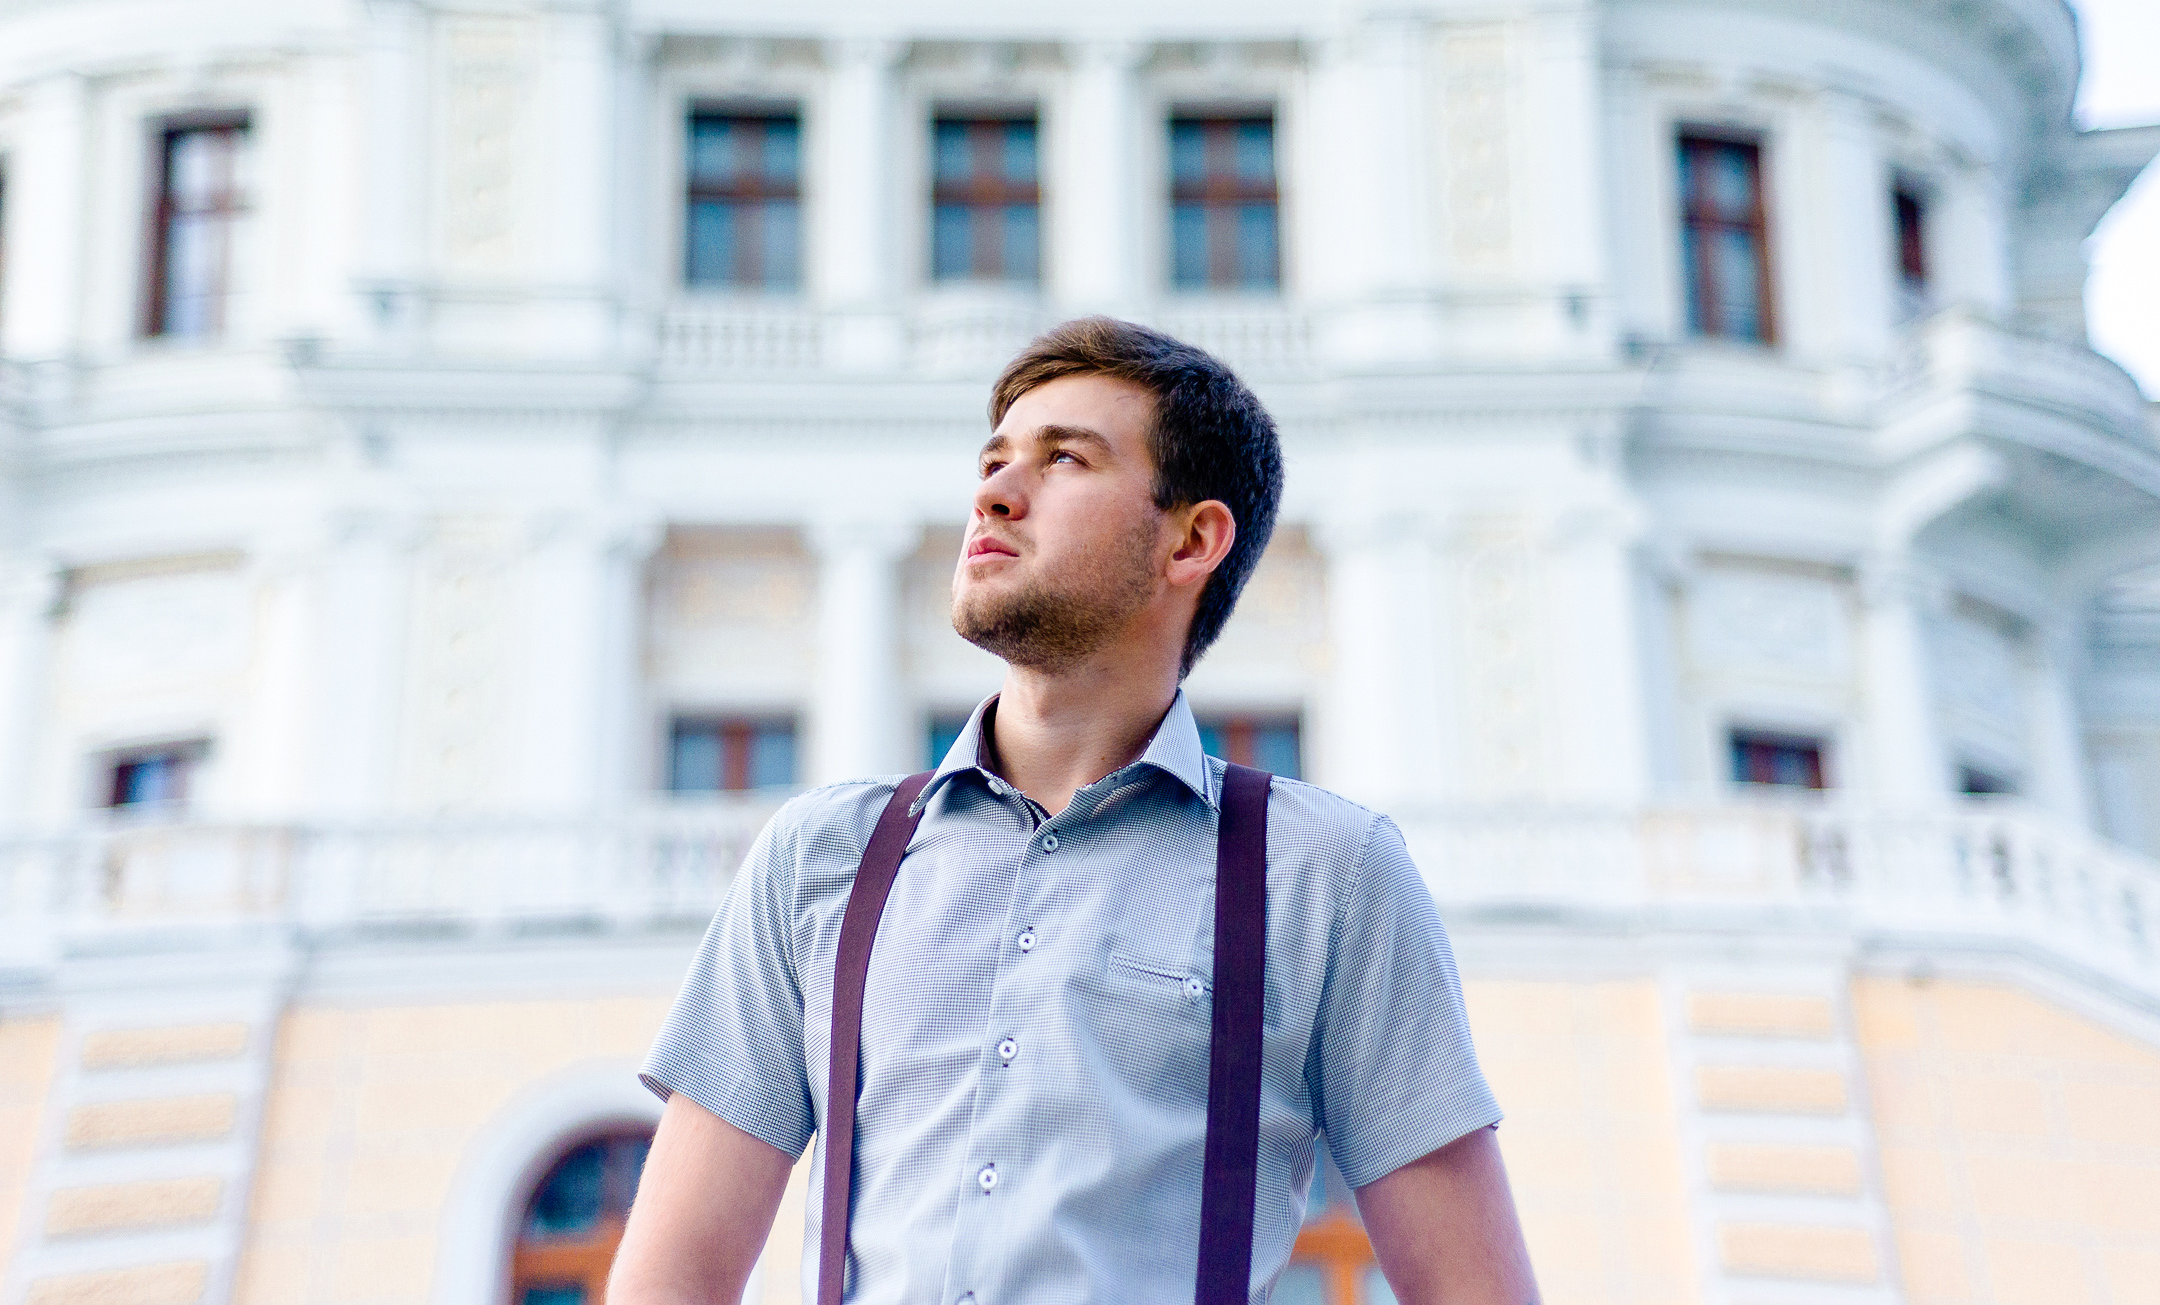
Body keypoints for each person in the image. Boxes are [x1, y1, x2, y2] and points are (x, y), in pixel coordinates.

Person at [612, 317, 1538, 1305]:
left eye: (1065, 459)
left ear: (1191, 538)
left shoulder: (1327, 874)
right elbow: (675, 1278)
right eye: (997, 458)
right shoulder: (820, 854)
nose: (996, 491)